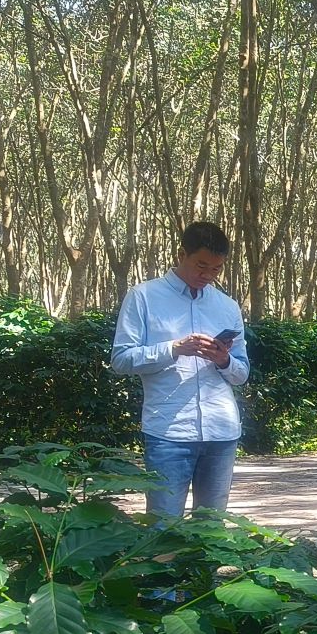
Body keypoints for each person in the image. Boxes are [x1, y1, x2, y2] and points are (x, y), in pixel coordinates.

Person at [109, 221, 250, 521]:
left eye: (216, 269)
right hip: (168, 432)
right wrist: (173, 348)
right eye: (201, 266)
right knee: (162, 528)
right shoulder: (143, 297)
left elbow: (242, 374)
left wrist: (223, 360)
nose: (208, 275)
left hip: (222, 431)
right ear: (181, 254)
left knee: (211, 530)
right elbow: (121, 359)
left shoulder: (227, 306)